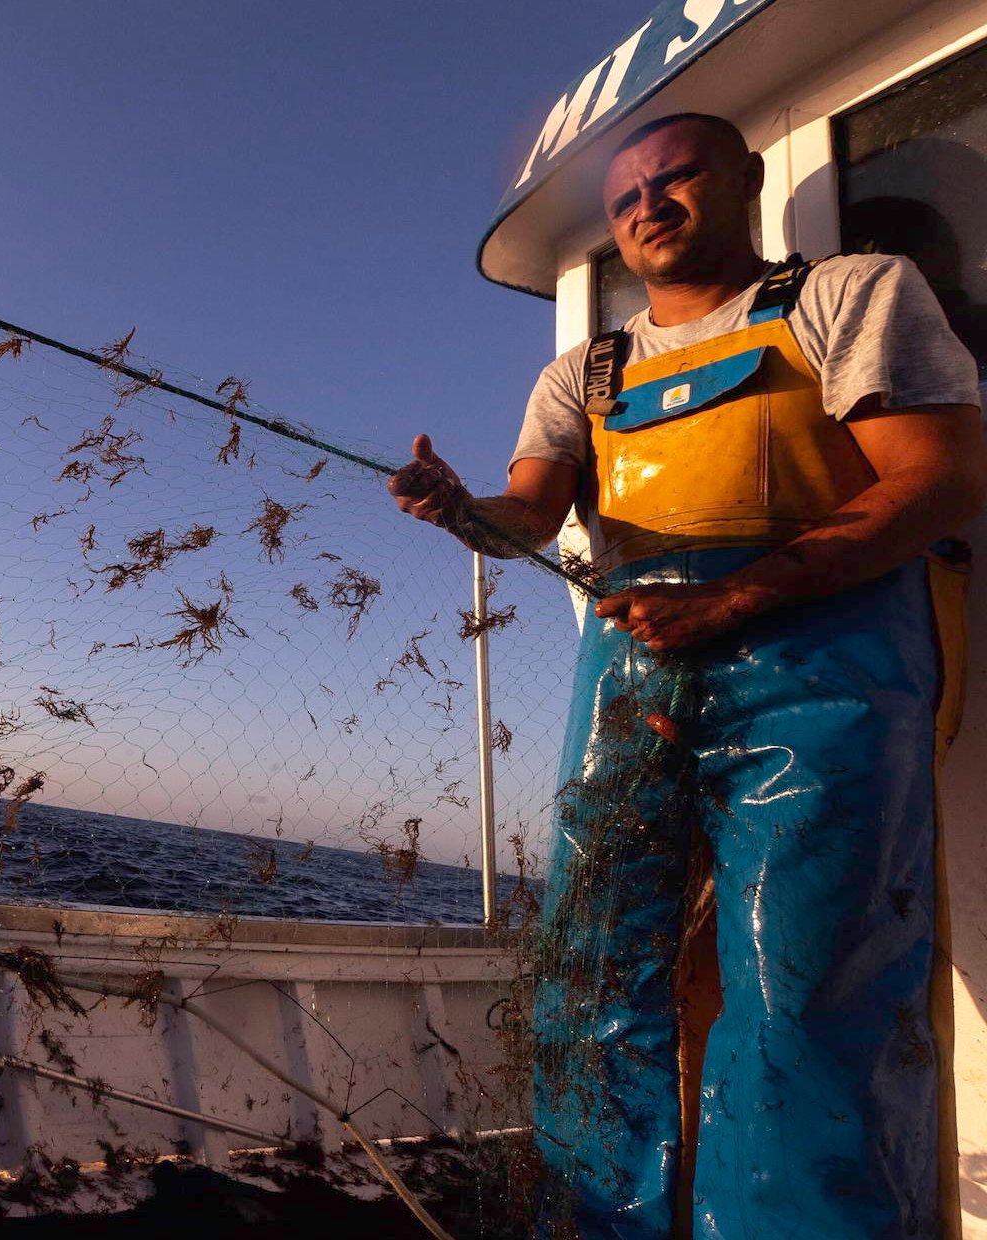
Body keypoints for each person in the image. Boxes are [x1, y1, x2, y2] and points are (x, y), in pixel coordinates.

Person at [392, 112, 987, 1239]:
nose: (647, 207)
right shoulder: (583, 371)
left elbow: (937, 479)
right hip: (633, 680)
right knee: (587, 966)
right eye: (624, 198)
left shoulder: (848, 295)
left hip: (823, 665)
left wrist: (739, 596)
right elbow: (530, 513)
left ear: (747, 180)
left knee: (803, 983)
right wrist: (463, 511)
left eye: (676, 178)